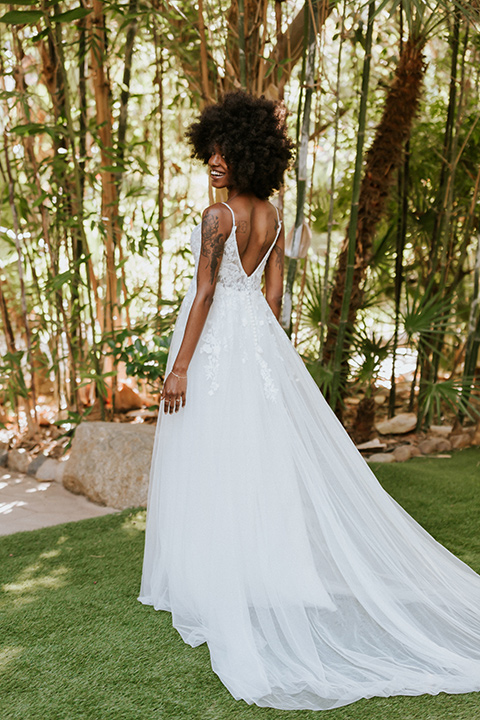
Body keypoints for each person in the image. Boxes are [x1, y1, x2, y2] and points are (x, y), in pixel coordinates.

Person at [138, 91, 480, 711]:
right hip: (252, 351)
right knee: (253, 458)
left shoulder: (219, 217)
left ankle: (216, 579)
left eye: (224, 151)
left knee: (210, 458)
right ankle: (259, 571)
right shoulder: (269, 214)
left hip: (213, 349)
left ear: (245, 152)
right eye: (209, 151)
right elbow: (272, 296)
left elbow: (207, 292)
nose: (214, 161)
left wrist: (183, 365)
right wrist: (259, 354)